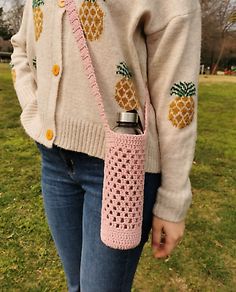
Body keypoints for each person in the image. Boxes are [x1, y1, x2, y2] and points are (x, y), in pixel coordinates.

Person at [10, 0, 201, 291]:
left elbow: (176, 87)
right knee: (76, 285)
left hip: (122, 170)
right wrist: (33, 105)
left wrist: (173, 199)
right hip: (53, 159)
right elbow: (21, 47)